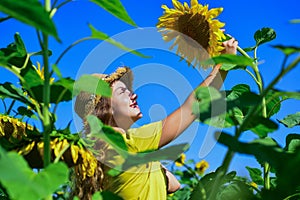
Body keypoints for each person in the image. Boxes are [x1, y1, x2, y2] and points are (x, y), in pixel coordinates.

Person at [73, 38, 238, 200]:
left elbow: (174, 185)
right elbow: (193, 107)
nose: (134, 95)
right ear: (105, 107)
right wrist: (224, 63)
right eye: (123, 92)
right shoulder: (126, 143)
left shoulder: (106, 151)